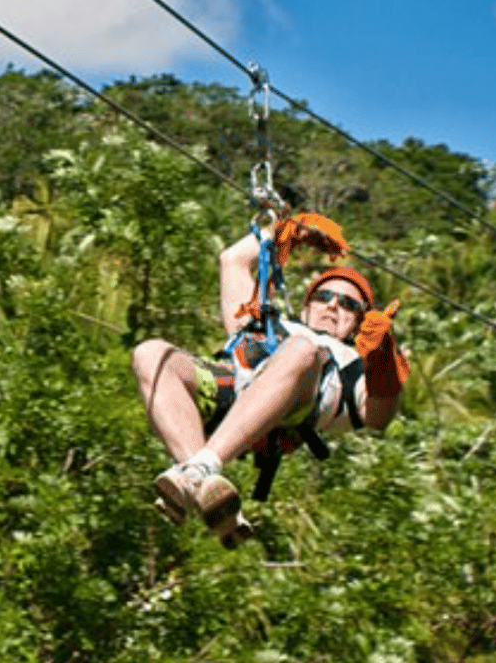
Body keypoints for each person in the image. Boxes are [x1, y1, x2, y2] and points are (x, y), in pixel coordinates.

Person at [131, 223, 410, 548]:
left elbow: (378, 416)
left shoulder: (354, 364)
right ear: (306, 307)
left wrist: (384, 359)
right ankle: (201, 482)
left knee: (302, 349)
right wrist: (292, 230)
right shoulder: (265, 324)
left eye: (348, 304)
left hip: (298, 406)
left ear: (357, 323)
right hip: (234, 388)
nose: (333, 305)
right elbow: (233, 259)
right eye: (324, 296)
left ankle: (201, 468)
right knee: (150, 353)